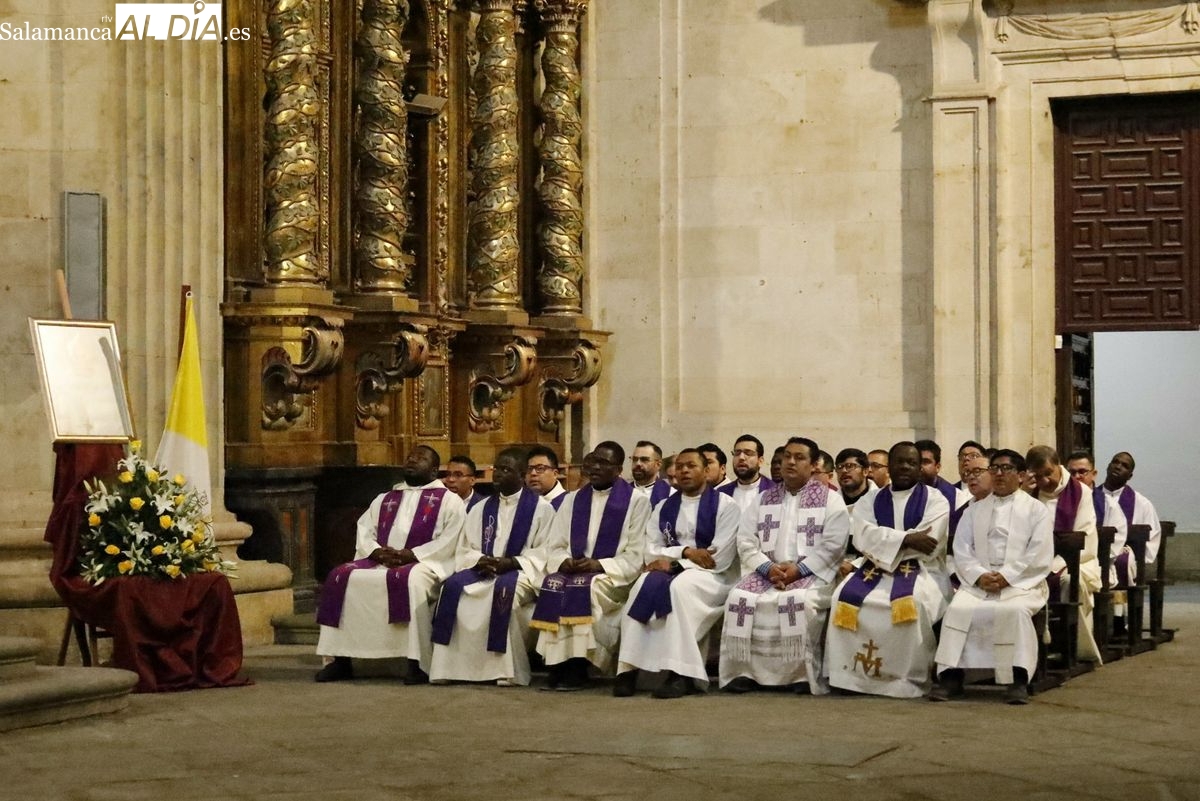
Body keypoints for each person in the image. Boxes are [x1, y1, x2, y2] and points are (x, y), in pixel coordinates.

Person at [315, 445, 467, 684]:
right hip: (380, 561)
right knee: (339, 576)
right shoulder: (385, 498)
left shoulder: (450, 501)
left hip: (424, 563)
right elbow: (365, 529)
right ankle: (339, 660)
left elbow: (450, 539)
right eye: (410, 456)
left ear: (434, 470)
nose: (412, 460)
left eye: (420, 458)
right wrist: (376, 552)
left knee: (411, 581)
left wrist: (412, 554)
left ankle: (416, 663)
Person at [718, 437, 850, 692]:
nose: (790, 462)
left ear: (814, 465)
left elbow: (834, 545)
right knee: (739, 597)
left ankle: (799, 676)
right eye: (787, 456)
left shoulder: (830, 500)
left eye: (799, 457)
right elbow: (745, 541)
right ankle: (743, 673)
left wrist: (798, 570)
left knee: (797, 600)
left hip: (811, 574)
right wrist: (768, 568)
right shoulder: (764, 499)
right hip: (768, 572)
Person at [822, 442, 950, 698]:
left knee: (913, 602)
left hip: (922, 570)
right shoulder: (871, 499)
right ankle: (847, 676)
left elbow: (929, 543)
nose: (905, 467)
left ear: (919, 467)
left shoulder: (935, 500)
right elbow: (862, 536)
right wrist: (907, 539)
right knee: (841, 597)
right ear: (889, 466)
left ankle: (905, 678)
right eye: (899, 461)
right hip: (873, 568)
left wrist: (889, 542)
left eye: (911, 462)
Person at [615, 449, 740, 698]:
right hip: (675, 570)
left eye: (691, 466)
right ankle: (628, 670)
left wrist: (674, 563)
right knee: (641, 585)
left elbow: (719, 557)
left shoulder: (727, 506)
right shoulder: (664, 507)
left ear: (706, 471)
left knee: (679, 589)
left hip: (713, 577)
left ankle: (681, 674)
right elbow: (651, 550)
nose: (684, 471)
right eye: (680, 466)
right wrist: (685, 552)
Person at [932, 449, 1054, 704]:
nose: (999, 473)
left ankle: (1017, 680)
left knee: (1014, 611)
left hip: (1021, 583)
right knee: (957, 610)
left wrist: (1006, 576)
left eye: (1006, 469)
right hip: (980, 582)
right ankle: (952, 678)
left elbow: (1038, 552)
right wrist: (979, 576)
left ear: (1021, 475)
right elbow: (962, 549)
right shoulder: (974, 510)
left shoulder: (1036, 510)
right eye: (994, 468)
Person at [428, 448, 555, 686]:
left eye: (506, 470)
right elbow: (465, 548)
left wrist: (512, 562)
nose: (498, 474)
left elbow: (545, 551)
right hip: (482, 570)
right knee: (451, 589)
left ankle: (503, 671)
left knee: (502, 594)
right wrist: (480, 560)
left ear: (522, 475)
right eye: (497, 469)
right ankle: (450, 669)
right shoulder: (481, 508)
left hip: (521, 572)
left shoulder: (542, 509)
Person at [532, 441, 651, 690]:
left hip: (613, 576)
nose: (595, 467)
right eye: (593, 461)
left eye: (603, 463)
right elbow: (555, 544)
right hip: (575, 569)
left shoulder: (636, 502)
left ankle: (578, 665)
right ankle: (557, 662)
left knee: (584, 587)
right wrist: (564, 561)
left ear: (619, 470)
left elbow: (635, 554)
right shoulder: (573, 500)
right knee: (553, 583)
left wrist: (599, 564)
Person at [1026, 445, 1101, 663]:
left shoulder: (1081, 493)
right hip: (1035, 563)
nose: (1044, 481)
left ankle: (1070, 647)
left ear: (1058, 466)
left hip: (1075, 562)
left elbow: (1083, 538)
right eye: (1038, 476)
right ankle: (1031, 650)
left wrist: (1053, 564)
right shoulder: (1030, 494)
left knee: (1070, 582)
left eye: (1048, 473)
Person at [1098, 451, 1163, 625]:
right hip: (1096, 552)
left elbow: (1151, 537)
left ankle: (1118, 620)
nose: (1118, 466)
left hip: (1126, 554)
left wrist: (1135, 555)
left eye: (1125, 466)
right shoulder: (1090, 497)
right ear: (1108, 466)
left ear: (1130, 475)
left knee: (1122, 562)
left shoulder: (1141, 503)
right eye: (1115, 462)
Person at [719, 434, 776, 510]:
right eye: (737, 453)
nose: (741, 457)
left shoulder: (774, 491)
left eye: (748, 453)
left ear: (760, 461)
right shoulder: (721, 493)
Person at [629, 440, 672, 506]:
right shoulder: (622, 492)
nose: (638, 463)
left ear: (658, 465)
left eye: (644, 460)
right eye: (635, 459)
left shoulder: (670, 494)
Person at [526, 444, 567, 509]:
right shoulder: (522, 502)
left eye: (540, 468)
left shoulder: (568, 503)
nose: (533, 473)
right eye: (529, 469)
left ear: (555, 474)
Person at [834, 448, 874, 513]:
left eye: (850, 466)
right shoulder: (831, 501)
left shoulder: (879, 500)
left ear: (865, 471)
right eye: (840, 467)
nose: (844, 471)